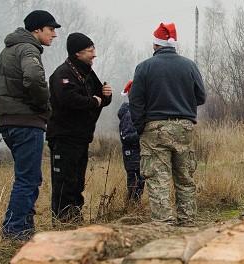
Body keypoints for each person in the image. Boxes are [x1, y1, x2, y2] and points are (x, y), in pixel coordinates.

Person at [0, 10, 61, 240]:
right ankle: (14, 230)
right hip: (26, 122)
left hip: (10, 121)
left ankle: (25, 228)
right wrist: (44, 103)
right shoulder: (28, 49)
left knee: (27, 177)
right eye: (50, 29)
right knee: (28, 179)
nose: (54, 34)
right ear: (37, 30)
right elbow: (33, 77)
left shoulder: (9, 50)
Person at [129, 23, 206, 226]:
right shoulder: (189, 65)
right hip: (184, 127)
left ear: (155, 44)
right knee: (185, 178)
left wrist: (140, 127)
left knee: (158, 180)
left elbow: (135, 101)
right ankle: (187, 222)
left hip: (154, 128)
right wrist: (183, 105)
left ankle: (164, 225)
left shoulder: (144, 67)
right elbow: (201, 96)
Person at [46, 32, 113, 224]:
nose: (94, 54)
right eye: (91, 50)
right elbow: (68, 99)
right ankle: (63, 221)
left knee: (77, 182)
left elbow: (100, 98)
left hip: (81, 137)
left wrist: (107, 95)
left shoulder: (88, 73)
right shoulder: (63, 73)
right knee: (64, 181)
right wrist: (93, 101)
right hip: (64, 136)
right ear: (78, 53)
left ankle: (74, 217)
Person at [117, 81, 144, 203]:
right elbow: (126, 137)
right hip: (132, 156)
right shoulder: (128, 115)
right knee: (134, 183)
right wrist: (143, 135)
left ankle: (135, 205)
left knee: (140, 182)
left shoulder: (137, 111)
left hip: (138, 154)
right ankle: (132, 206)